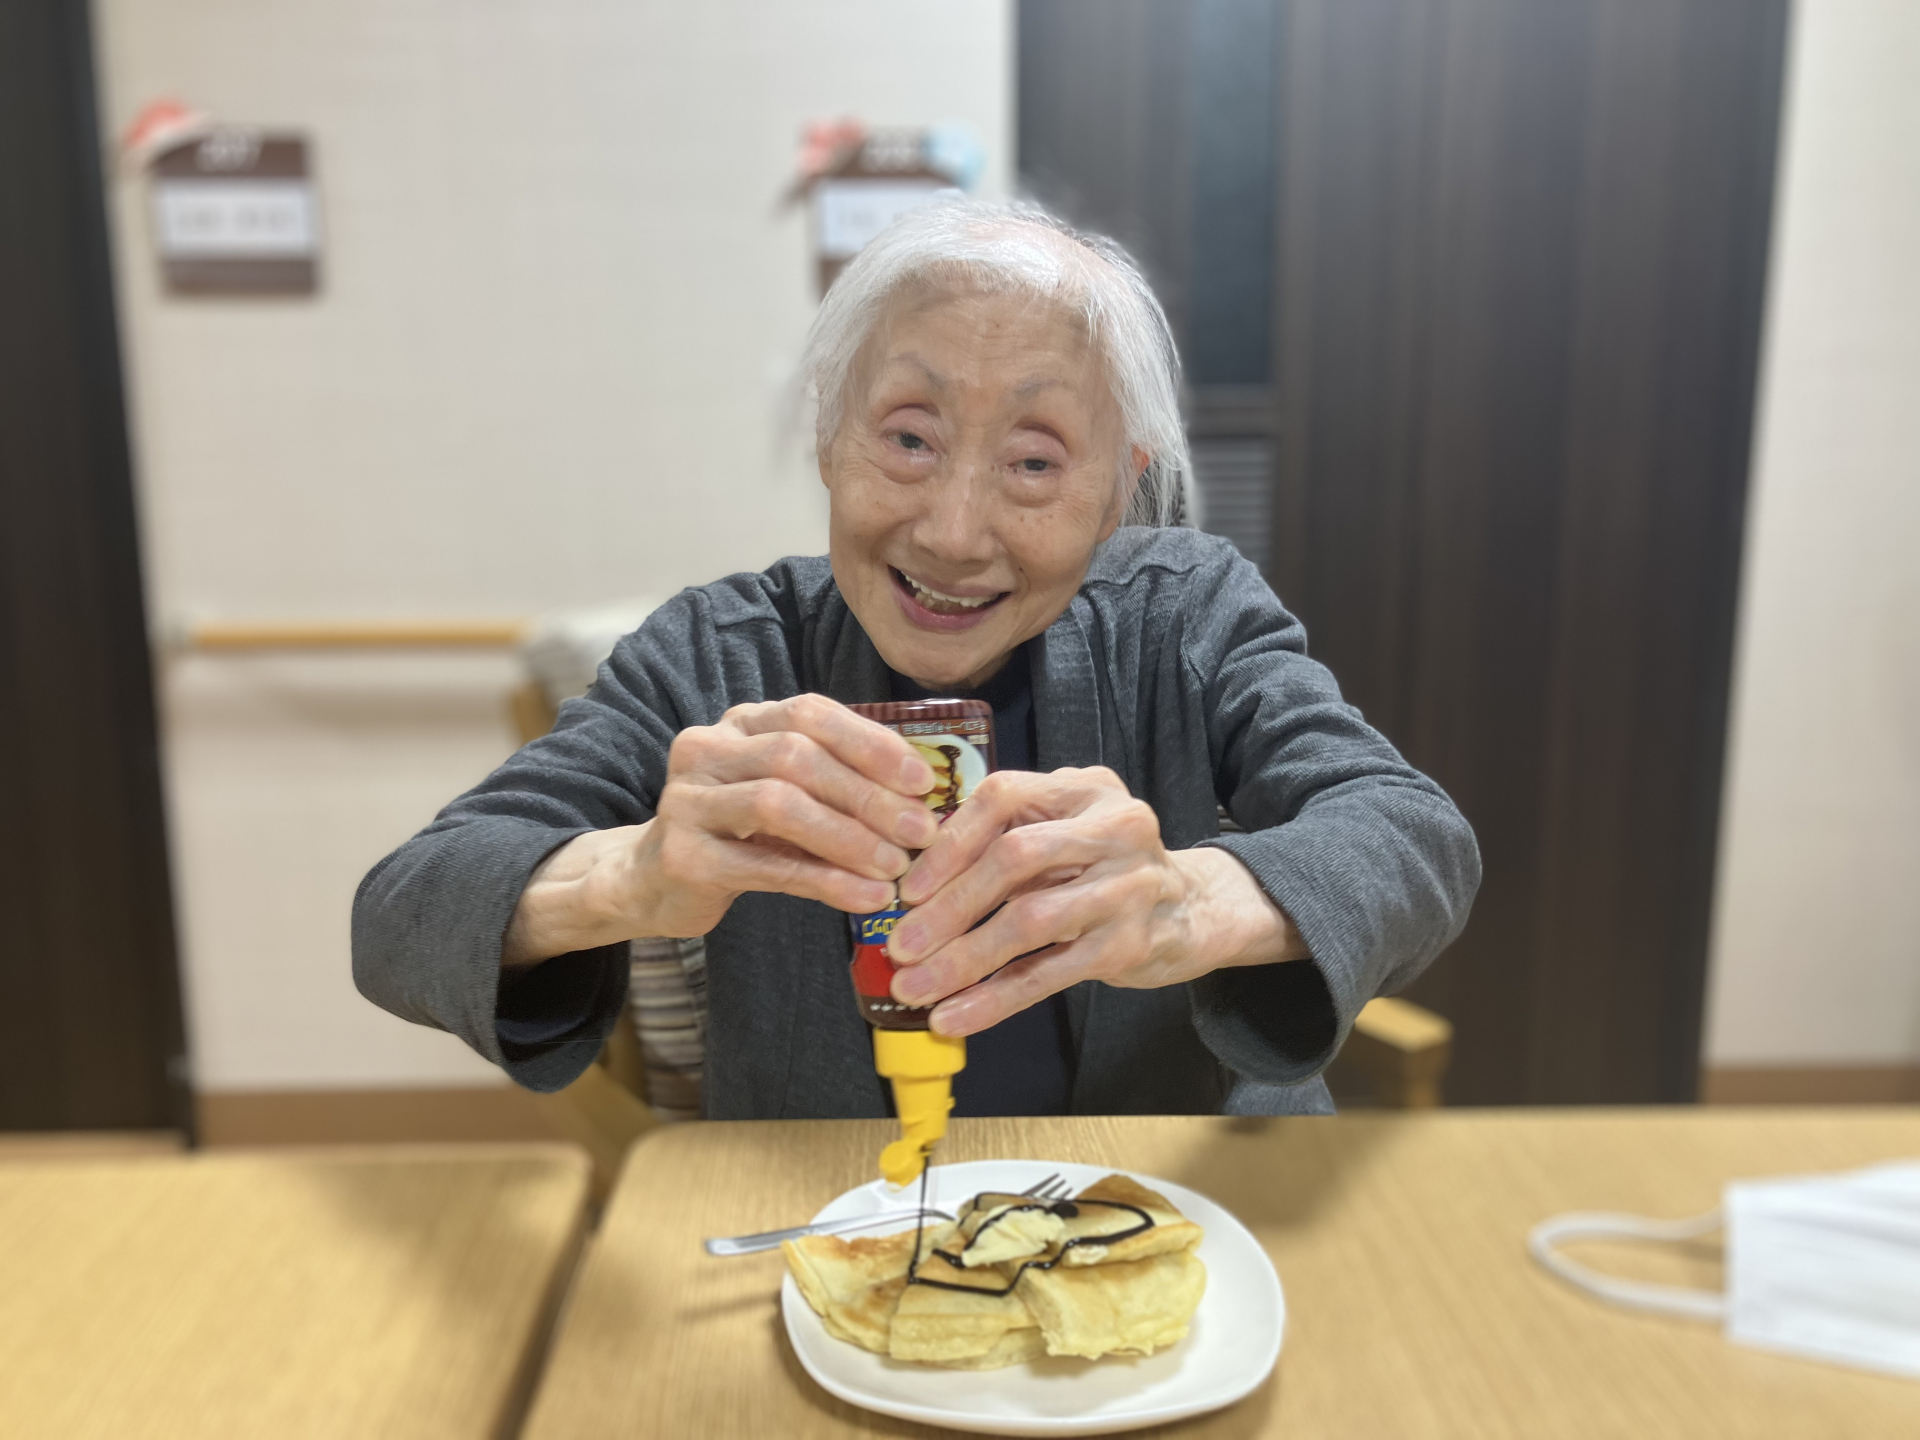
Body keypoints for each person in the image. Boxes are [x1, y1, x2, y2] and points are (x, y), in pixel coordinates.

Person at [352, 198, 1480, 1119]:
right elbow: (402, 916)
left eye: (1034, 463)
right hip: (834, 1220)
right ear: (829, 435)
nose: (952, 532)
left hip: (1165, 1214)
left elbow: (1414, 837)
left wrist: (1187, 902)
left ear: (1115, 493)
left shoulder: (1184, 615)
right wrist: (633, 874)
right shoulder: (717, 653)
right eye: (908, 438)